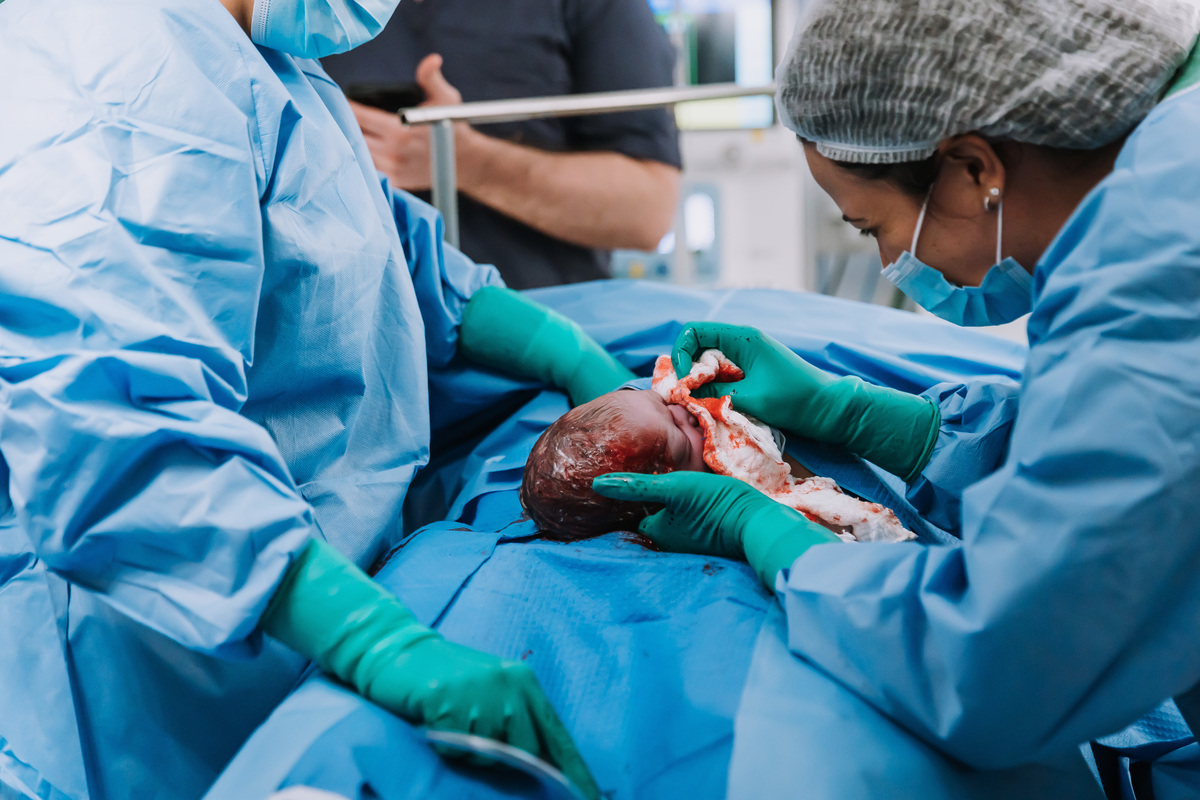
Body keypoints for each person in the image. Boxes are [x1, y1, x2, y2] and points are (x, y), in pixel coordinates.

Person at [0, 1, 605, 797]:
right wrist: (375, 640)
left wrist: (562, 350)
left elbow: (357, 231)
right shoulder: (115, 70)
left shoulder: (256, 56)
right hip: (138, 665)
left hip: (284, 615)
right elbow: (114, 425)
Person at [592, 0, 1200, 790]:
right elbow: (1118, 458)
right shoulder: (1167, 164)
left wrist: (767, 533)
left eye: (870, 226)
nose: (889, 264)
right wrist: (882, 424)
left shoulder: (1153, 268)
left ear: (976, 169)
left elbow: (992, 663)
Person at [320, 0, 682, 288]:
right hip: (343, 335)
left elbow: (648, 211)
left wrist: (466, 161)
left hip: (539, 336)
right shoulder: (302, 14)